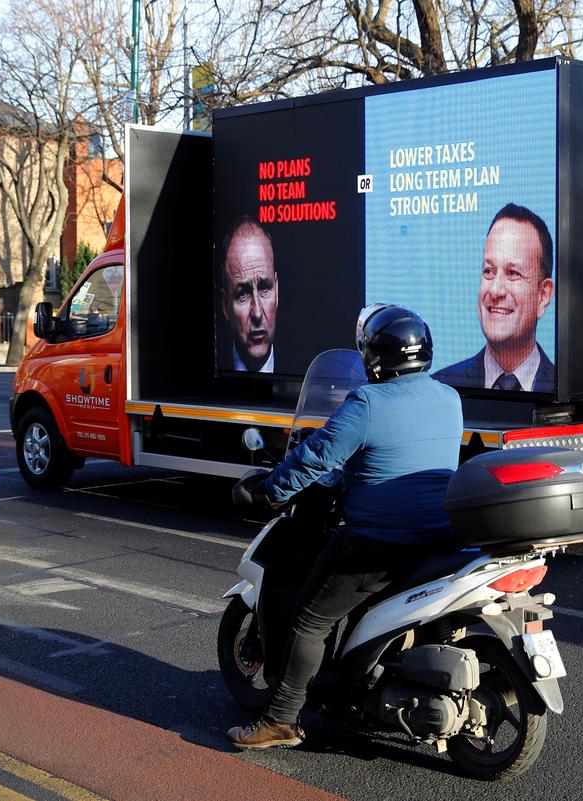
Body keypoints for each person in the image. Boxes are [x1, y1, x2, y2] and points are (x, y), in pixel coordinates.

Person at [227, 304, 463, 750]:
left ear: (372, 357)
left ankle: (280, 720)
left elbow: (316, 457)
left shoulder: (367, 402)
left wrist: (270, 492)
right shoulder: (448, 398)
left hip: (378, 542)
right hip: (438, 538)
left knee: (309, 618)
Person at [433, 203, 555, 393]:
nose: (496, 290)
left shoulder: (561, 388)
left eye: (513, 273)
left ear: (543, 296)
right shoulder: (442, 390)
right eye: (489, 271)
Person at [220, 217, 279, 372]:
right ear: (225, 305)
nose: (257, 313)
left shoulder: (309, 370)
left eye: (264, 288)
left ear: (277, 292)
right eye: (243, 294)